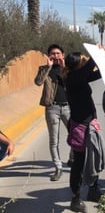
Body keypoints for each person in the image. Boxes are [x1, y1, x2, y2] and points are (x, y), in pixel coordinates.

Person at [63, 52, 105, 212]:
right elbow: (89, 68)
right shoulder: (72, 79)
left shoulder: (80, 78)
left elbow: (97, 73)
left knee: (95, 158)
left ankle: (93, 190)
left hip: (90, 124)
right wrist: (96, 53)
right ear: (77, 65)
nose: (86, 64)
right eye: (83, 62)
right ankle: (75, 198)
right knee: (79, 163)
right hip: (80, 128)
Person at [34, 44, 70, 181]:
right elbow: (38, 82)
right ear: (48, 55)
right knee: (54, 140)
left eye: (58, 53)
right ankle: (58, 167)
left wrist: (65, 67)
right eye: (52, 53)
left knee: (75, 135)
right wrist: (48, 67)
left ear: (62, 55)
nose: (55, 56)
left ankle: (72, 157)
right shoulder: (44, 69)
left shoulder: (68, 69)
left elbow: (73, 82)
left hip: (68, 108)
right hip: (52, 108)